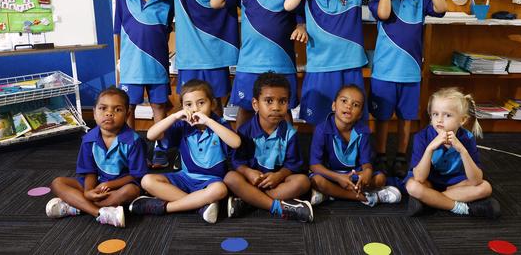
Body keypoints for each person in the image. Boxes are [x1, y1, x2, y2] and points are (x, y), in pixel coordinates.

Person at [152, 0, 253, 117]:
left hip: (218, 58)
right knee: (188, 108)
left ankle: (216, 145)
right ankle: (189, 145)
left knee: (215, 107)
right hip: (190, 60)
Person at [284, 0, 387, 126]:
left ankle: (349, 154)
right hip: (320, 67)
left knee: (351, 120)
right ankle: (320, 154)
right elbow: (289, 5)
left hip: (350, 65)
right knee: (320, 121)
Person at [367, 0, 447, 177]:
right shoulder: (379, 0)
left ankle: (402, 155)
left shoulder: (419, 2)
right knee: (382, 118)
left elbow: (441, 8)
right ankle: (380, 154)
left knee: (406, 119)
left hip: (410, 74)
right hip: (384, 73)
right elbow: (383, 14)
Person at [210, 0, 307, 128]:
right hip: (249, 66)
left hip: (282, 67)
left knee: (283, 112)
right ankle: (240, 154)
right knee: (245, 110)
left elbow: (301, 18)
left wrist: (301, 27)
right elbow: (216, 2)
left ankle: (289, 154)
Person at [129, 79, 241, 224]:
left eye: (201, 103)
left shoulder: (219, 124)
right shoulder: (182, 126)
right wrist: (174, 116)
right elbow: (151, 135)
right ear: (182, 107)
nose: (195, 109)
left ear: (212, 104)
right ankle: (199, 206)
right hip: (185, 178)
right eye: (189, 104)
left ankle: (166, 207)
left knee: (220, 190)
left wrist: (208, 121)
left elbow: (236, 142)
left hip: (211, 182)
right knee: (147, 181)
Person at [46, 87, 147, 228]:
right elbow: (90, 171)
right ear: (94, 113)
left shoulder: (133, 141)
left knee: (131, 191)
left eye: (117, 110)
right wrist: (88, 191)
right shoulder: (89, 139)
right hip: (95, 183)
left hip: (120, 185)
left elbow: (136, 175)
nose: (109, 113)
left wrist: (109, 185)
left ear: (127, 114)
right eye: (103, 108)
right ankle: (99, 212)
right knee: (57, 183)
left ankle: (77, 207)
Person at [223, 72, 313, 222]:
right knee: (230, 178)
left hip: (277, 183)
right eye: (269, 101)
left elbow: (292, 165)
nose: (276, 107)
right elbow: (237, 162)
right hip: (252, 180)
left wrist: (279, 175)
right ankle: (277, 207)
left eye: (282, 101)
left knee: (303, 182)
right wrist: (248, 172)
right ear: (255, 104)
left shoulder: (290, 133)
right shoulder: (245, 131)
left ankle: (248, 200)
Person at [405, 87, 500, 218]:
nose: (439, 119)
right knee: (413, 186)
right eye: (435, 114)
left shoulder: (467, 138)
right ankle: (463, 208)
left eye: (447, 115)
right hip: (429, 182)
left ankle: (429, 200)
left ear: (462, 120)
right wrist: (429, 149)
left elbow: (476, 180)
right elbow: (420, 178)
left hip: (455, 185)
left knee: (485, 187)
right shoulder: (422, 137)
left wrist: (462, 150)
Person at [308, 85, 401, 207]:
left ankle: (330, 194)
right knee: (316, 181)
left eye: (355, 105)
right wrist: (338, 178)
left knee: (380, 178)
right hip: (331, 175)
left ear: (360, 114)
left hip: (354, 175)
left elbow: (366, 162)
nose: (349, 106)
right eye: (344, 101)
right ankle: (364, 197)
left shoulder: (363, 131)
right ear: (334, 106)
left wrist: (367, 171)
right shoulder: (322, 129)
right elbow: (314, 165)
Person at [113, 0, 174, 129]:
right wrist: (118, 61)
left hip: (158, 67)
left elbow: (170, 30)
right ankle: (131, 147)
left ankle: (161, 148)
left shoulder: (167, 1)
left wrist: (170, 53)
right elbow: (117, 32)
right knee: (128, 107)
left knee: (159, 106)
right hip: (131, 68)